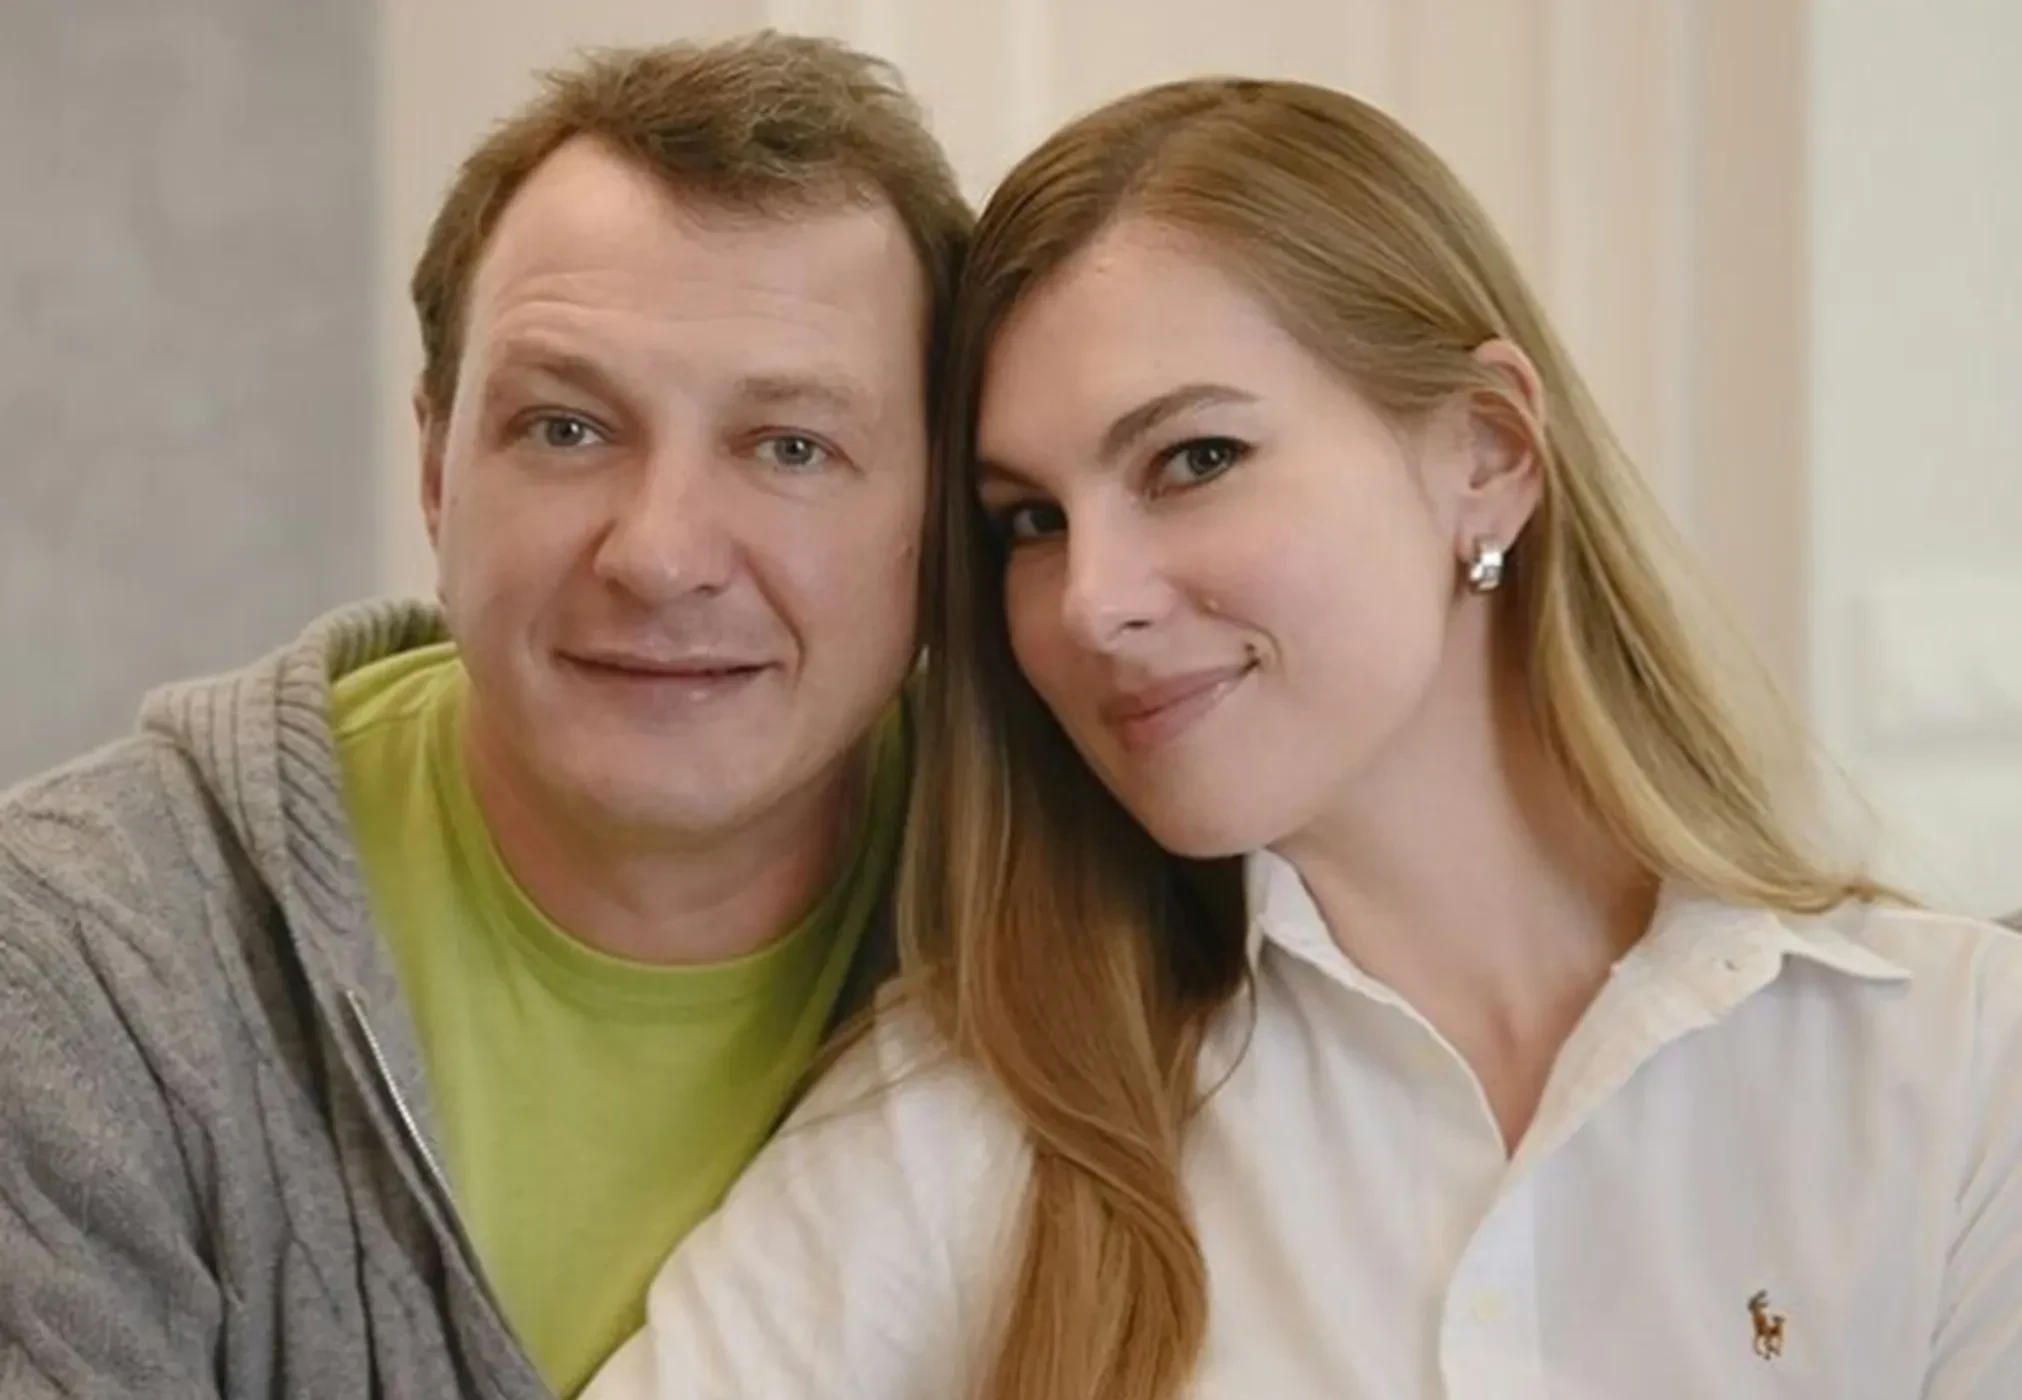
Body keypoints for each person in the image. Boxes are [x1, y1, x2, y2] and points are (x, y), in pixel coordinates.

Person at [585, 76, 2022, 1400]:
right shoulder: (967, 1122)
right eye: (1030, 520)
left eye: (1193, 460)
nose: (1089, 601)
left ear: (1487, 453)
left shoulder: (1956, 1069)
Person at [0, 32, 969, 1400]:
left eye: (791, 447)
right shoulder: (82, 957)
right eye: (566, 428)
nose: (660, 554)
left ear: (941, 517)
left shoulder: (1097, 920)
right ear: (436, 470)